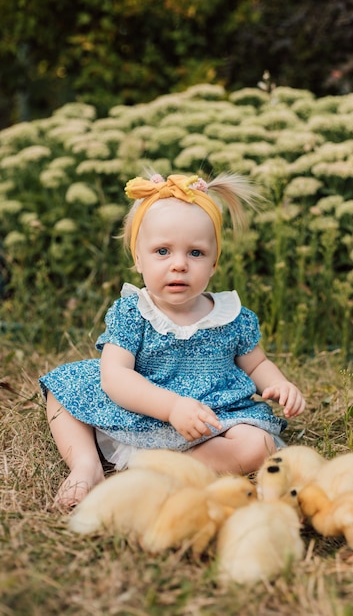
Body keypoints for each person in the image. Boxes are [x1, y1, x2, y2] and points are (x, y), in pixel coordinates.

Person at [39, 172, 305, 507]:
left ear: (213, 263)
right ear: (138, 259)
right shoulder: (133, 312)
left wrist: (279, 384)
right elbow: (115, 377)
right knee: (64, 389)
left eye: (195, 253)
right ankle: (85, 465)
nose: (179, 265)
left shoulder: (232, 316)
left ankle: (171, 471)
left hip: (213, 419)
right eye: (162, 251)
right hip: (142, 409)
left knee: (258, 444)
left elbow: (257, 363)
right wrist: (171, 406)